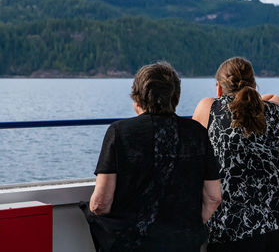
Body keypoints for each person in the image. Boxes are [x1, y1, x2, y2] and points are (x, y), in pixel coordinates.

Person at [82, 62, 222, 252]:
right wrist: (189, 228)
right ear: (175, 97)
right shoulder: (196, 132)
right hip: (183, 243)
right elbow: (214, 197)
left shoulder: (120, 132)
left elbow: (100, 204)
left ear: (137, 98)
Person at [192, 57, 279, 252]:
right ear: (255, 85)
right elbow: (273, 97)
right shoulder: (274, 109)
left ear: (219, 89)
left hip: (234, 223)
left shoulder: (209, 108)